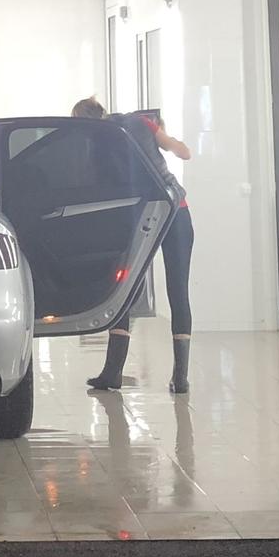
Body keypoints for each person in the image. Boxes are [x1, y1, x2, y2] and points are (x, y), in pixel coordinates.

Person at [70, 97, 195, 394]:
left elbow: (100, 187)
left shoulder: (96, 142)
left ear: (83, 121)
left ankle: (113, 372)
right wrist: (164, 134)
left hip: (140, 216)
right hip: (175, 210)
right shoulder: (141, 122)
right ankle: (180, 378)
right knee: (178, 290)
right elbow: (184, 152)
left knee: (123, 290)